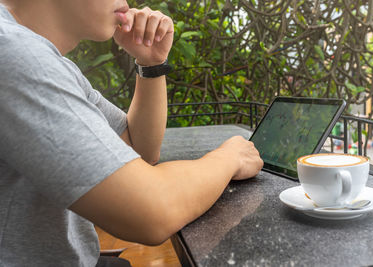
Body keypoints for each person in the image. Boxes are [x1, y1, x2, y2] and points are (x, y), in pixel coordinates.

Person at [0, 0, 263, 266]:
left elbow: (137, 148)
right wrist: (230, 158)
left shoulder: (47, 61)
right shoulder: (14, 52)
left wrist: (151, 62)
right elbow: (152, 212)